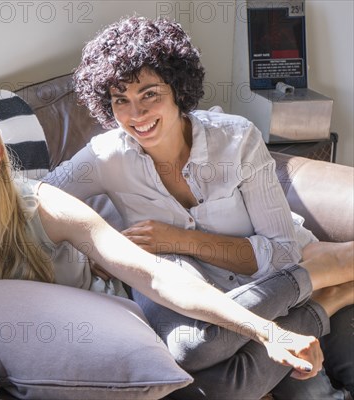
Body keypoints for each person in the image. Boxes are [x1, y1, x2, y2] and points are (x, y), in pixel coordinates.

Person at [0, 97, 352, 396]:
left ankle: (323, 289)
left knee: (203, 359)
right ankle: (328, 300)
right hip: (35, 374)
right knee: (223, 390)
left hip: (117, 335)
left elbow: (151, 274)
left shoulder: (43, 208)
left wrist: (266, 332)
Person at [42, 15, 354, 399]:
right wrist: (92, 244)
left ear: (177, 88)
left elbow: (283, 253)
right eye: (120, 100)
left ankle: (325, 292)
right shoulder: (106, 157)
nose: (135, 115)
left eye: (149, 94)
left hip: (276, 276)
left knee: (319, 384)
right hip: (201, 294)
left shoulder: (237, 140)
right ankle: (328, 292)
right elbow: (35, 197)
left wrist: (177, 238)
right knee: (197, 353)